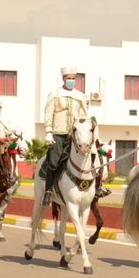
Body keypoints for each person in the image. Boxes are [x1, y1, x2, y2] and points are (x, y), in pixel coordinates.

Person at [41, 66, 88, 207]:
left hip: (75, 135)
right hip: (58, 134)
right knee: (53, 162)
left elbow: (84, 116)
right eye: (69, 78)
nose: (71, 81)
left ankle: (95, 188)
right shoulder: (55, 94)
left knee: (87, 158)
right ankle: (48, 191)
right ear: (63, 79)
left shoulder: (80, 96)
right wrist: (48, 132)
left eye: (73, 78)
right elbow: (48, 113)